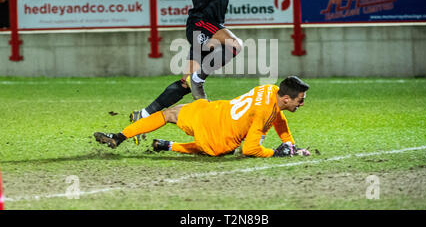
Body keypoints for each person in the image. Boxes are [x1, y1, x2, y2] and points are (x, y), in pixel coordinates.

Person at [129, 0, 289, 144]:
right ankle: (199, 79)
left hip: (213, 26)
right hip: (198, 25)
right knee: (235, 44)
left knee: (186, 84)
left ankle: (144, 115)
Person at [94, 76, 311, 158]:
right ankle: (172, 146)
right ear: (285, 99)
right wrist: (277, 152)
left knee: (168, 113)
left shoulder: (270, 89)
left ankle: (119, 137)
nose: (302, 103)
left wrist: (290, 144)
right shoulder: (267, 112)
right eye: (300, 99)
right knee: (214, 147)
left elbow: (279, 118)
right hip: (219, 135)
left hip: (212, 112)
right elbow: (251, 149)